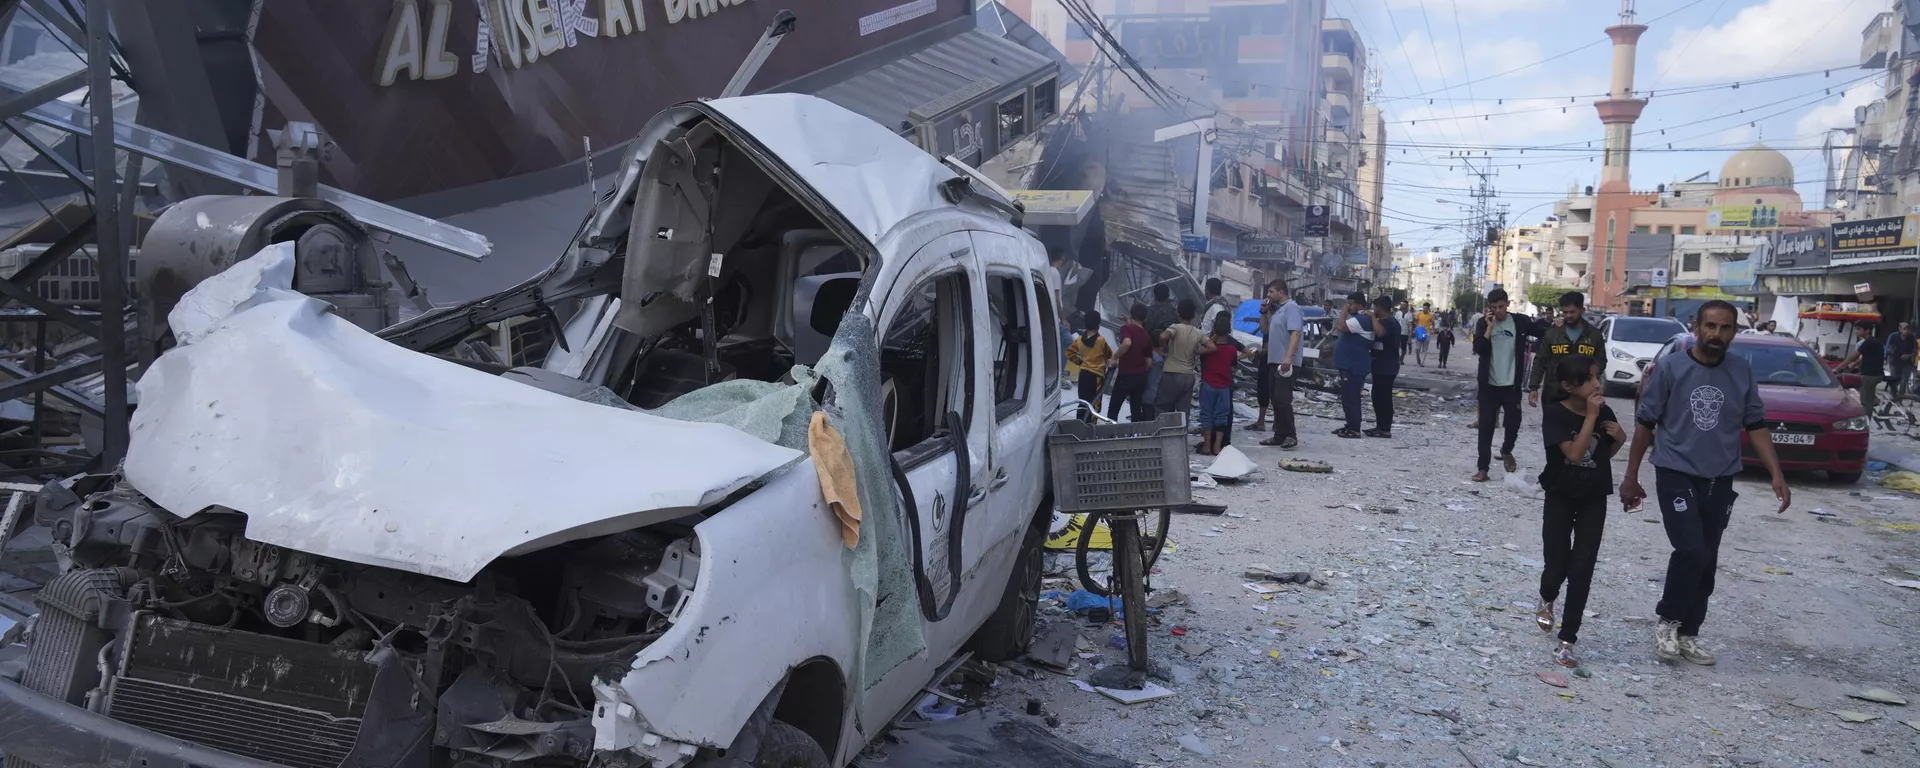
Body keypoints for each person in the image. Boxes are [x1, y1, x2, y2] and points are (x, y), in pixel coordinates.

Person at [1621, 300, 1790, 666]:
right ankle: (1667, 622)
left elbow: (1756, 424)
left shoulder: (1741, 372)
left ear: (1734, 331)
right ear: (1696, 327)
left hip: (1720, 476)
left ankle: (1689, 633)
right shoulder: (1671, 367)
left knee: (1708, 557)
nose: (1717, 334)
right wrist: (1631, 477)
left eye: (1725, 327)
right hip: (1675, 470)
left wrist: (1776, 473)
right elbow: (1645, 425)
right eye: (1710, 326)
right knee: (1691, 551)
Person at [1535, 354, 1625, 668]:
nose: (1596, 383)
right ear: (1568, 385)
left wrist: (1620, 440)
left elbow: (1602, 453)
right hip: (1560, 494)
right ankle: (1547, 597)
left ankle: (1568, 639)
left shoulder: (1604, 411)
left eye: (1596, 376)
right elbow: (1574, 454)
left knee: (1583, 567)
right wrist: (1590, 417)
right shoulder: (1555, 414)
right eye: (1589, 379)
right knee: (1557, 563)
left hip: (1593, 496)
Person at [1472, 288, 1537, 482]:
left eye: (1501, 307)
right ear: (1489, 308)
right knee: (1486, 426)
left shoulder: (1520, 322)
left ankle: (1506, 450)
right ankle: (1483, 468)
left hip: (1511, 386)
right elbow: (1480, 349)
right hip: (1489, 385)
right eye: (1494, 307)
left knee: (1513, 423)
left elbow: (1542, 331)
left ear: (1507, 305)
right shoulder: (1483, 324)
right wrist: (1489, 328)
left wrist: (1556, 324)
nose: (1498, 311)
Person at [1529, 292, 1606, 408]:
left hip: (1583, 396)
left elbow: (1601, 362)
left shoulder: (1594, 335)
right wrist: (1533, 387)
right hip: (1554, 394)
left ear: (1582, 310)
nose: (1568, 315)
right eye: (1565, 312)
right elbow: (1540, 361)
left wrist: (1589, 380)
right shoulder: (1553, 334)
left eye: (1572, 312)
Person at [1197, 312, 1254, 455]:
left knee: (1207, 415)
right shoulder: (1231, 350)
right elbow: (1239, 358)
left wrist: (1212, 337)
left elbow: (1200, 356)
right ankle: (1218, 446)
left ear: (1214, 329)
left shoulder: (1208, 348)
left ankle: (1207, 446)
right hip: (1224, 386)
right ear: (1229, 330)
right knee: (1222, 416)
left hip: (1208, 384)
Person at [1259, 280, 1304, 450]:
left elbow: (1295, 333)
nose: (1268, 295)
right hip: (1274, 360)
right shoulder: (1278, 310)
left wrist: (1288, 357)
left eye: (1271, 292)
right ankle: (1279, 435)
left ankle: (1290, 435)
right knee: (1276, 399)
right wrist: (1263, 312)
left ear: (1281, 292)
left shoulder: (1291, 307)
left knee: (1283, 399)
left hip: (1285, 362)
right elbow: (1264, 330)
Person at [1154, 299, 1207, 420]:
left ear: (1178, 312)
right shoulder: (1198, 332)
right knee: (1183, 411)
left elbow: (1162, 336)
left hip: (1172, 373)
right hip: (1189, 376)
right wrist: (1198, 352)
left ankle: (1163, 436)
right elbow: (1212, 347)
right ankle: (1181, 437)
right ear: (1193, 315)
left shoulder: (1175, 327)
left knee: (1163, 407)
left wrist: (1164, 347)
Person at [1332, 292, 1373, 439]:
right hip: (1349, 366)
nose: (1348, 307)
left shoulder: (1361, 319)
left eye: (1350, 304)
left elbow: (1341, 326)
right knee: (1347, 397)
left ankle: (1354, 428)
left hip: (1354, 367)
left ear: (1359, 305)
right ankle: (1350, 425)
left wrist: (1343, 310)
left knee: (1352, 398)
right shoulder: (1358, 318)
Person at [1107, 303, 1154, 422]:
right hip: (1141, 377)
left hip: (1126, 375)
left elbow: (1127, 343)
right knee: (1136, 408)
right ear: (1146, 318)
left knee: (1114, 407)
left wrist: (1114, 357)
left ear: (1131, 314)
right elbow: (1149, 363)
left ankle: (1110, 435)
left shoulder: (1126, 329)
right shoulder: (1147, 335)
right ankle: (1135, 436)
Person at [1365, 295, 1403, 438]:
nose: (1374, 310)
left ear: (1379, 308)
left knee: (1384, 397)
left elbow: (1380, 333)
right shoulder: (1387, 321)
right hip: (1381, 364)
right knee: (1377, 396)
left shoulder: (1388, 322)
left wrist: (1372, 318)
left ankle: (1385, 428)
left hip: (1386, 365)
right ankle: (1380, 426)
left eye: (1375, 307)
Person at [1066, 311, 1114, 423]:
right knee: (1094, 403)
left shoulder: (1079, 340)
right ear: (1098, 324)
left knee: (1082, 402)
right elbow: (1110, 354)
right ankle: (1090, 427)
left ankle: (1079, 424)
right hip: (1096, 377)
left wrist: (1081, 362)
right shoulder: (1101, 341)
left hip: (1083, 375)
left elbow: (1069, 353)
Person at [1841, 322, 1886, 417]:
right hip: (1875, 374)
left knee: (1866, 403)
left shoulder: (1868, 342)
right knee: (1858, 382)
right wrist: (1853, 365)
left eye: (1859, 329)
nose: (1857, 331)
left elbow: (1854, 356)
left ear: (1867, 330)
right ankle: (1873, 397)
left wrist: (1839, 367)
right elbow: (1864, 358)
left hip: (1870, 375)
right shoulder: (1874, 341)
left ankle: (1867, 422)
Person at [1889, 322, 1918, 403]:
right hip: (1895, 362)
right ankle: (1894, 396)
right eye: (1904, 329)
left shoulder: (1912, 338)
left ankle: (1900, 399)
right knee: (1894, 381)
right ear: (1900, 329)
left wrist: (1909, 355)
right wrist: (1891, 351)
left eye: (1907, 329)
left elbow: (1915, 351)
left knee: (1903, 381)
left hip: (1907, 364)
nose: (1906, 331)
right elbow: (1890, 348)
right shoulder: (1894, 337)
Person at [1412, 303, 1435, 367]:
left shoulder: (1430, 316)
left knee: (1425, 349)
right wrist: (1416, 327)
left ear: (1428, 309)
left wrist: (1433, 330)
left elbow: (1433, 323)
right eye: (1423, 308)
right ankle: (1418, 359)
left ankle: (1422, 362)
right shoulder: (1419, 314)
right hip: (1420, 332)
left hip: (1426, 333)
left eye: (1426, 308)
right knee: (1417, 348)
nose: (1424, 309)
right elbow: (1415, 321)